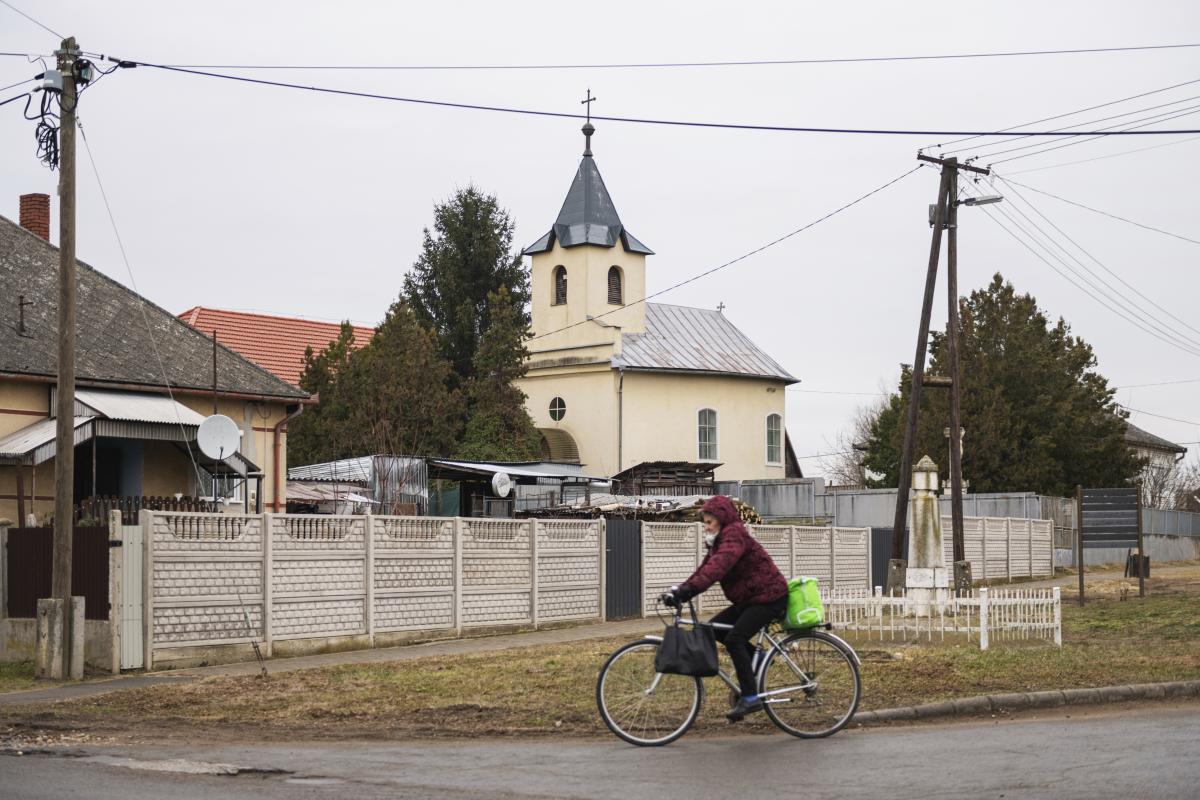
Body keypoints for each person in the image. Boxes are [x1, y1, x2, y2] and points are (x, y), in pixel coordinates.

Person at [661, 495, 788, 722]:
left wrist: (688, 591)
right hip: (751, 599)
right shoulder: (720, 540)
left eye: (710, 522)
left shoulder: (734, 535)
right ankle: (759, 660)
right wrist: (681, 590)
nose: (706, 527)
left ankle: (750, 697)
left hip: (769, 597)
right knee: (715, 629)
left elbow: (717, 569)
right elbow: (704, 569)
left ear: (722, 518)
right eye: (705, 523)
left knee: (735, 639)